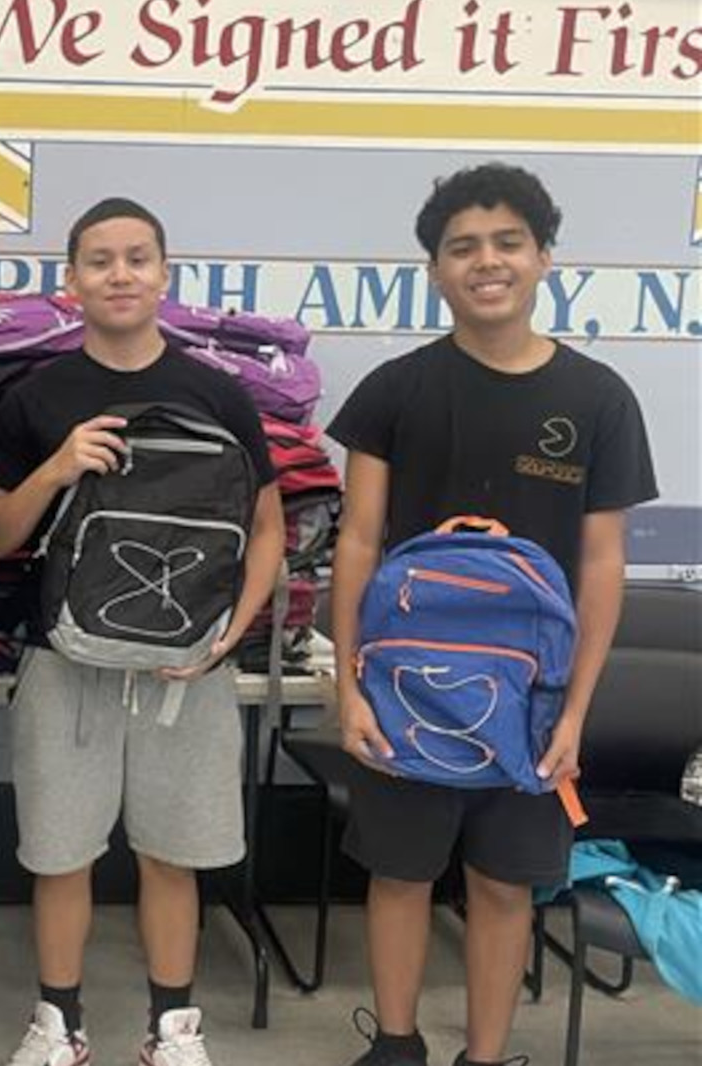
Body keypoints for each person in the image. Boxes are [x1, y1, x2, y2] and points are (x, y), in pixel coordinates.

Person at [329, 162, 657, 1066]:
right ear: (435, 270)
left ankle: (485, 1056)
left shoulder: (598, 399)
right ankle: (397, 1046)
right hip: (403, 691)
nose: (487, 261)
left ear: (544, 257)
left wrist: (575, 709)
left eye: (508, 242)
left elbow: (602, 563)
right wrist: (348, 684)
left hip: (533, 701)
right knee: (399, 876)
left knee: (506, 886)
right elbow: (357, 542)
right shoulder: (394, 391)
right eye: (462, 246)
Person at [0, 197, 284, 1066]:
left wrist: (229, 633)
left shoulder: (217, 392)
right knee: (59, 854)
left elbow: (267, 526)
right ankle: (59, 1025)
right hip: (64, 658)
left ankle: (173, 1030)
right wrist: (56, 467)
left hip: (185, 664)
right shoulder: (35, 398)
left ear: (164, 274)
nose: (120, 274)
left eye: (137, 258)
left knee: (172, 855)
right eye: (100, 260)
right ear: (71, 280)